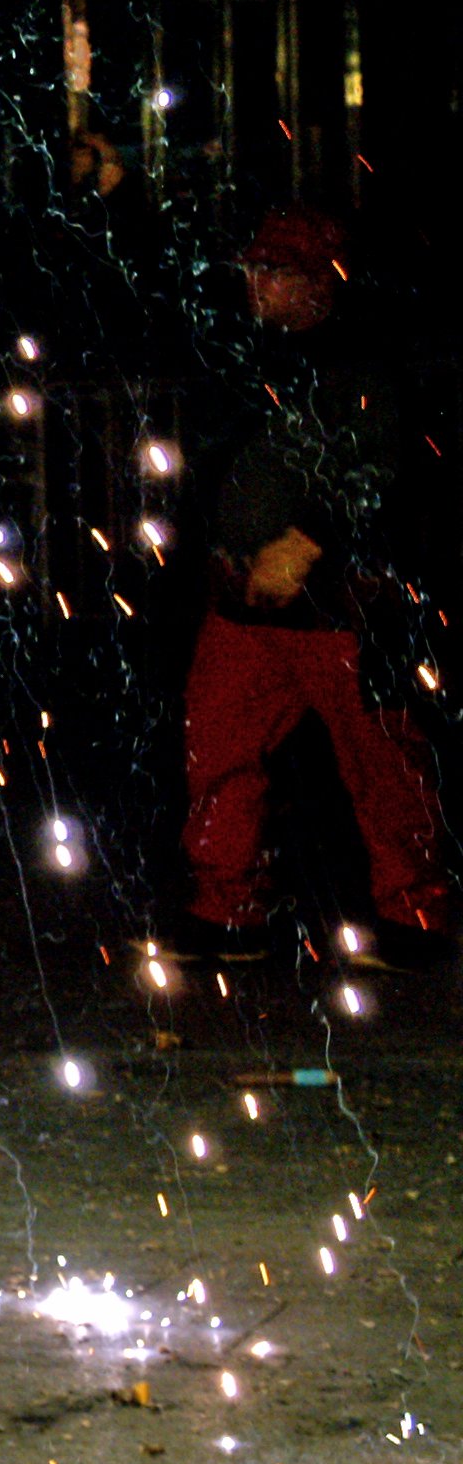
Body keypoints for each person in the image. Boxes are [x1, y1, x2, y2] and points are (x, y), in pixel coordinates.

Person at [172, 205, 455, 967]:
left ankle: (415, 914)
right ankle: (226, 907)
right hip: (248, 599)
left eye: (278, 272)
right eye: (255, 270)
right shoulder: (251, 357)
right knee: (219, 750)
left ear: (322, 283)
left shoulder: (363, 361)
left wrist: (305, 542)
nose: (258, 285)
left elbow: (378, 467)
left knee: (381, 762)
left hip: (338, 604)